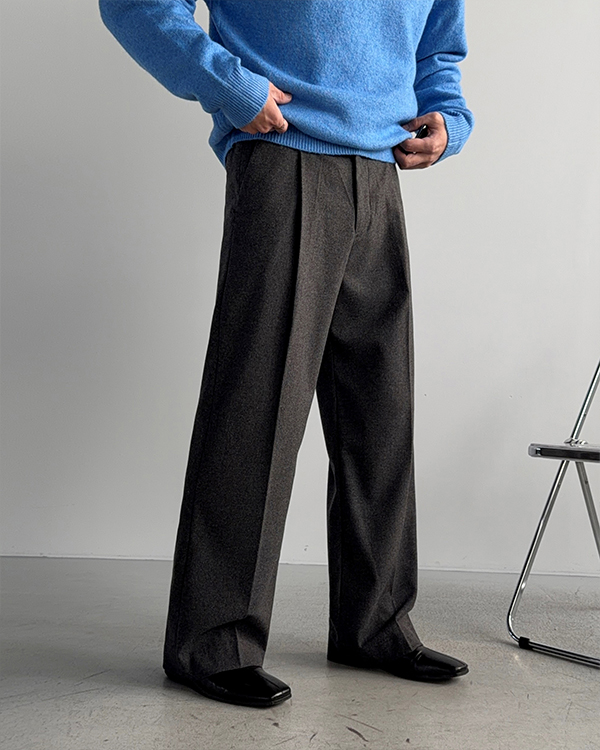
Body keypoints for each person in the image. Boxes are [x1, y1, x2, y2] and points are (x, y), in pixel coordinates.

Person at [99, 0, 475, 709]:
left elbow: (439, 43)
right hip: (284, 153)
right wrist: (228, 83)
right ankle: (214, 641)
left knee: (380, 412)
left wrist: (448, 115)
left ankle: (376, 623)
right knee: (258, 404)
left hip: (380, 170)